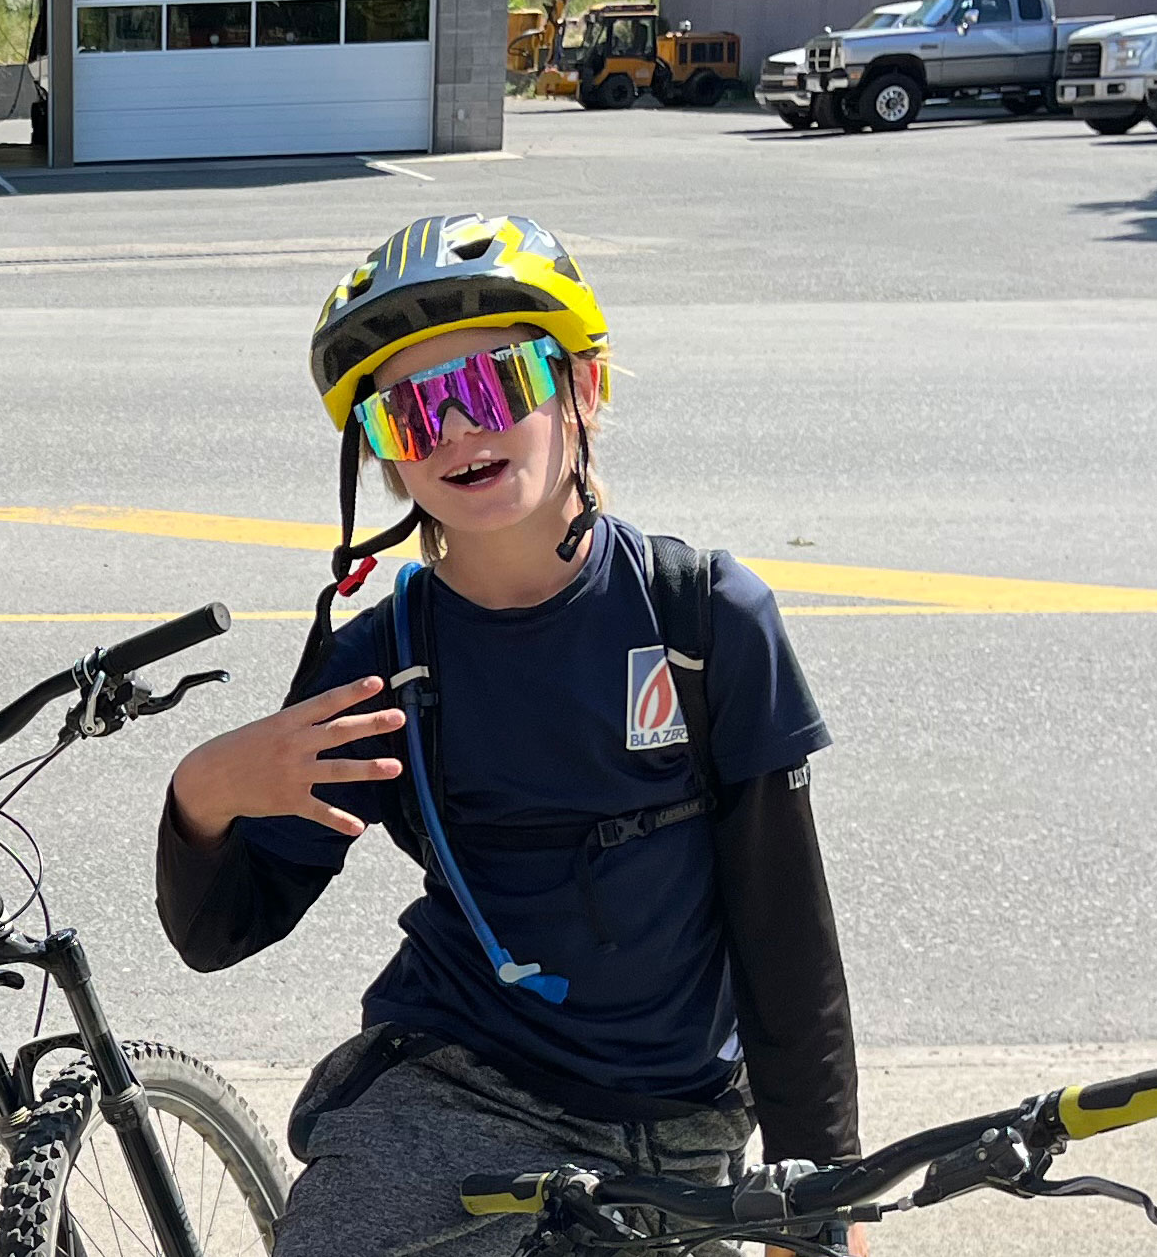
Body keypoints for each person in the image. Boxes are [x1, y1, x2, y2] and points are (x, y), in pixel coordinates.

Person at [151, 214, 863, 1257]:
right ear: (384, 455)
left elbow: (787, 935)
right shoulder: (380, 661)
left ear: (584, 389)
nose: (455, 428)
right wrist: (201, 796)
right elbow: (223, 930)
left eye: (494, 383)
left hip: (680, 1120)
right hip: (453, 1090)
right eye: (410, 411)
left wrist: (821, 1204)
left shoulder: (703, 619)